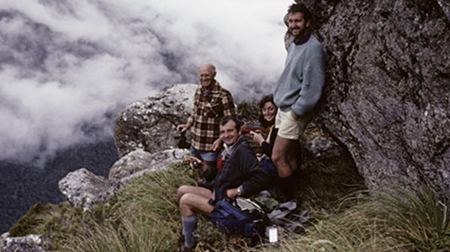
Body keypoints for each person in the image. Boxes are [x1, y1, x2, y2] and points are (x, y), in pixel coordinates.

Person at [177, 116, 271, 250]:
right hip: (219, 195)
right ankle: (187, 233)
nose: (226, 135)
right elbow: (221, 175)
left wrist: (239, 190)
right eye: (222, 132)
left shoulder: (243, 151)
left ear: (239, 131)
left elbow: (263, 177)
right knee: (182, 190)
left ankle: (189, 245)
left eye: (230, 131)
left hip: (229, 208)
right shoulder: (229, 149)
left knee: (186, 200)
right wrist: (202, 167)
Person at [272, 4, 326, 191]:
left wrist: (296, 112)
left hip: (294, 110)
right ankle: (297, 192)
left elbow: (313, 86)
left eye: (298, 21)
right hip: (284, 106)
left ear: (307, 22)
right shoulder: (296, 43)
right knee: (290, 155)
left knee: (277, 157)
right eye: (291, 21)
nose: (293, 25)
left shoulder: (313, 48)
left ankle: (287, 198)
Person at [177, 63, 236, 181]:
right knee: (197, 168)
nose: (204, 79)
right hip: (196, 141)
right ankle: (199, 186)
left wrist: (220, 139)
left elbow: (231, 121)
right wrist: (187, 125)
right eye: (201, 76)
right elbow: (195, 112)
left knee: (209, 174)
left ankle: (209, 194)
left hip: (211, 145)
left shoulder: (223, 95)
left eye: (207, 76)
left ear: (214, 75)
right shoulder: (199, 90)